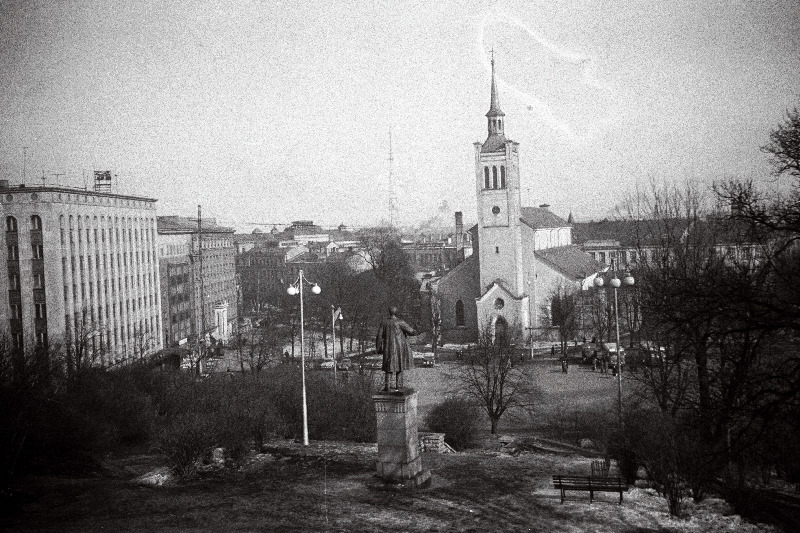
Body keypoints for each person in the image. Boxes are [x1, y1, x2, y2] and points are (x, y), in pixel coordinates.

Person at [375, 306, 417, 392]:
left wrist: (378, 348)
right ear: (396, 312)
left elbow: (379, 336)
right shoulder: (400, 322)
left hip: (388, 348)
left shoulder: (384, 322)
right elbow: (412, 332)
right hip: (399, 348)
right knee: (400, 366)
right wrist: (416, 329)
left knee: (388, 367)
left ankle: (387, 387)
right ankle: (399, 386)